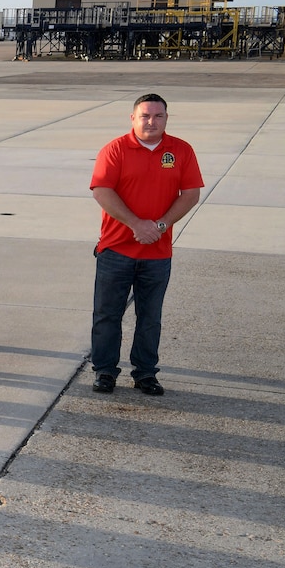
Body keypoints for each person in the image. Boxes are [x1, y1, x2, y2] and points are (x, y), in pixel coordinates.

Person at [89, 93, 203, 396]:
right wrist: (136, 224)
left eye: (158, 116)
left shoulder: (181, 150)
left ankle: (145, 373)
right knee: (107, 314)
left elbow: (191, 193)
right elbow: (102, 190)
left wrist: (160, 226)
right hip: (116, 250)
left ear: (166, 118)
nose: (151, 121)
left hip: (158, 253)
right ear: (133, 118)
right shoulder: (115, 150)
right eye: (145, 116)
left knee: (150, 317)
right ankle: (104, 371)